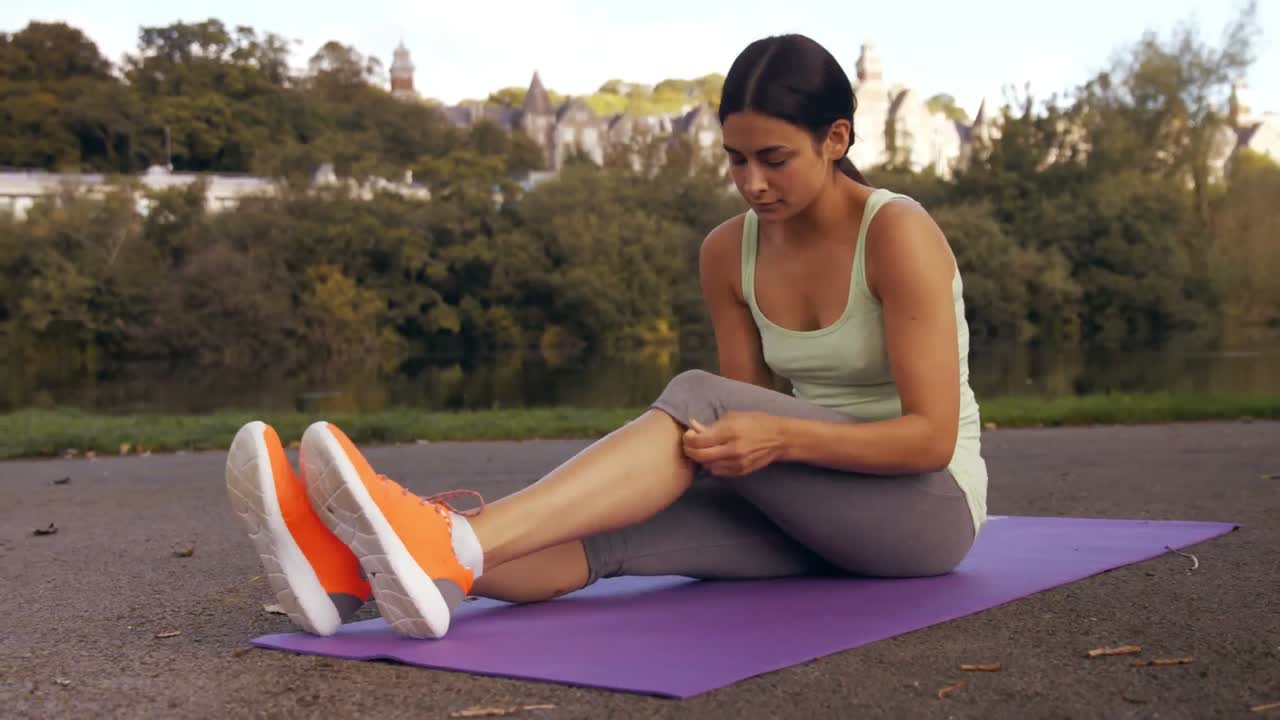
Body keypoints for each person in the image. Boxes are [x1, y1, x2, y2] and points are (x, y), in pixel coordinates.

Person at [224, 33, 988, 640]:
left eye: (774, 160)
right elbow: (744, 418)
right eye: (735, 159)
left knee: (697, 399)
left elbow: (924, 439)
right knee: (613, 535)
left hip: (923, 511)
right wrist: (684, 473)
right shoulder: (730, 250)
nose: (752, 182)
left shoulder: (897, 233)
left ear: (836, 138)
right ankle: (350, 567)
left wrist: (775, 439)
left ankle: (447, 541)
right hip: (820, 506)